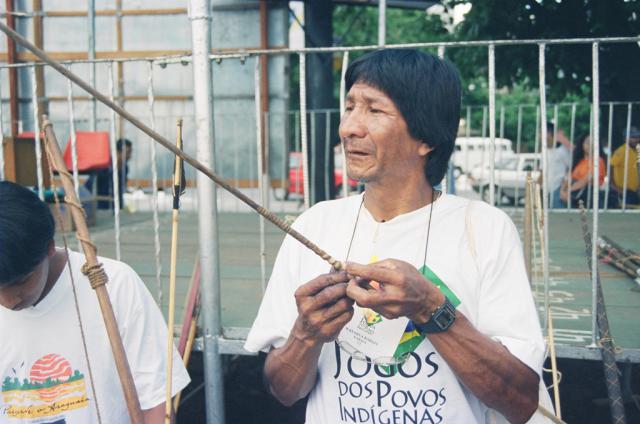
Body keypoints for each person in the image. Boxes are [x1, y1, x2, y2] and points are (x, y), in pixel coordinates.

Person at [245, 50, 548, 424]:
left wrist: (432, 310)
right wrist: (306, 336)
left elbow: (520, 401)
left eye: (374, 110)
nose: (350, 128)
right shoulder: (315, 225)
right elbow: (284, 391)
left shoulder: (483, 229)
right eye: (351, 106)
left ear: (426, 137)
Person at [0, 181, 189, 423]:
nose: (7, 301)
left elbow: (155, 403)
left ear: (49, 247)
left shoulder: (114, 285)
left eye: (21, 281)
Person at [559, 133, 606, 208]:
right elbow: (568, 177)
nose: (590, 145)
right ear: (582, 144)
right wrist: (562, 191)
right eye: (587, 142)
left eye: (593, 142)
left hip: (589, 199)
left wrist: (568, 191)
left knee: (586, 219)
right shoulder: (578, 161)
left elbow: (586, 180)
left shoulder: (598, 161)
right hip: (574, 197)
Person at [85, 138, 132, 210]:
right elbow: (89, 186)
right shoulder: (104, 166)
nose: (130, 156)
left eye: (130, 152)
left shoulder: (125, 168)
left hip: (116, 206)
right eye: (127, 152)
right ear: (118, 152)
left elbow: (122, 187)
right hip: (100, 206)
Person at [610, 126, 640, 207]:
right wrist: (614, 186)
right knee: (627, 214)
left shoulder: (638, 150)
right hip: (624, 191)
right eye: (633, 137)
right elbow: (610, 167)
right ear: (625, 139)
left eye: (638, 137)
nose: (636, 139)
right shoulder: (621, 151)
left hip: (636, 190)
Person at [545, 122, 572, 208]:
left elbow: (570, 168)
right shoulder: (544, 151)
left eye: (540, 132)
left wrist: (563, 188)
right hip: (547, 190)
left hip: (558, 188)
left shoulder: (562, 151)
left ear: (549, 134)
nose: (539, 135)